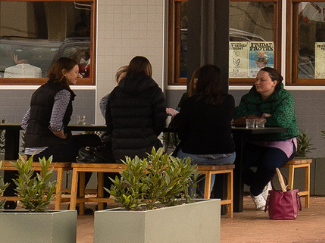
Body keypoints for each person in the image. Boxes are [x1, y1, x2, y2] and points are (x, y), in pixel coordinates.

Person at [169, 64, 237, 200]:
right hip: (225, 154)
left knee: (189, 160)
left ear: (199, 81)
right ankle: (204, 199)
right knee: (209, 163)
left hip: (194, 154)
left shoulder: (189, 102)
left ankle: (191, 198)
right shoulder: (229, 100)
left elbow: (182, 135)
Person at [234, 66, 298, 209]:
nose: (257, 82)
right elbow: (238, 116)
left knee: (269, 164)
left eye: (262, 80)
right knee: (235, 163)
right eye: (256, 79)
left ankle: (255, 191)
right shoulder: (248, 99)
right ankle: (262, 184)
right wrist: (265, 118)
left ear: (274, 82)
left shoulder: (285, 98)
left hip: (281, 141)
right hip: (254, 141)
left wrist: (259, 118)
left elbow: (282, 121)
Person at [104, 56, 167, 158]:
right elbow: (160, 120)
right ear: (148, 70)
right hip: (147, 147)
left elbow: (109, 121)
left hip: (120, 150)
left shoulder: (116, 92)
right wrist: (150, 134)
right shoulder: (154, 91)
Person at [21, 56, 80, 164]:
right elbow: (55, 125)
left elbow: (25, 122)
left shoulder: (40, 91)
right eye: (76, 72)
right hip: (48, 150)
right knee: (93, 143)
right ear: (64, 72)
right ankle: (79, 181)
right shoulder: (63, 93)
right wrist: (63, 137)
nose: (78, 76)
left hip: (30, 151)